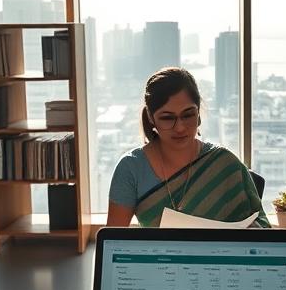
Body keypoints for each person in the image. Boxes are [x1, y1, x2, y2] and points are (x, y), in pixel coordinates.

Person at [107, 67, 270, 227]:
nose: (180, 128)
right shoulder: (131, 168)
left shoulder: (224, 163)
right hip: (160, 254)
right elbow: (113, 242)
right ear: (151, 117)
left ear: (198, 113)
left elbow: (263, 229)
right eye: (167, 118)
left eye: (188, 115)